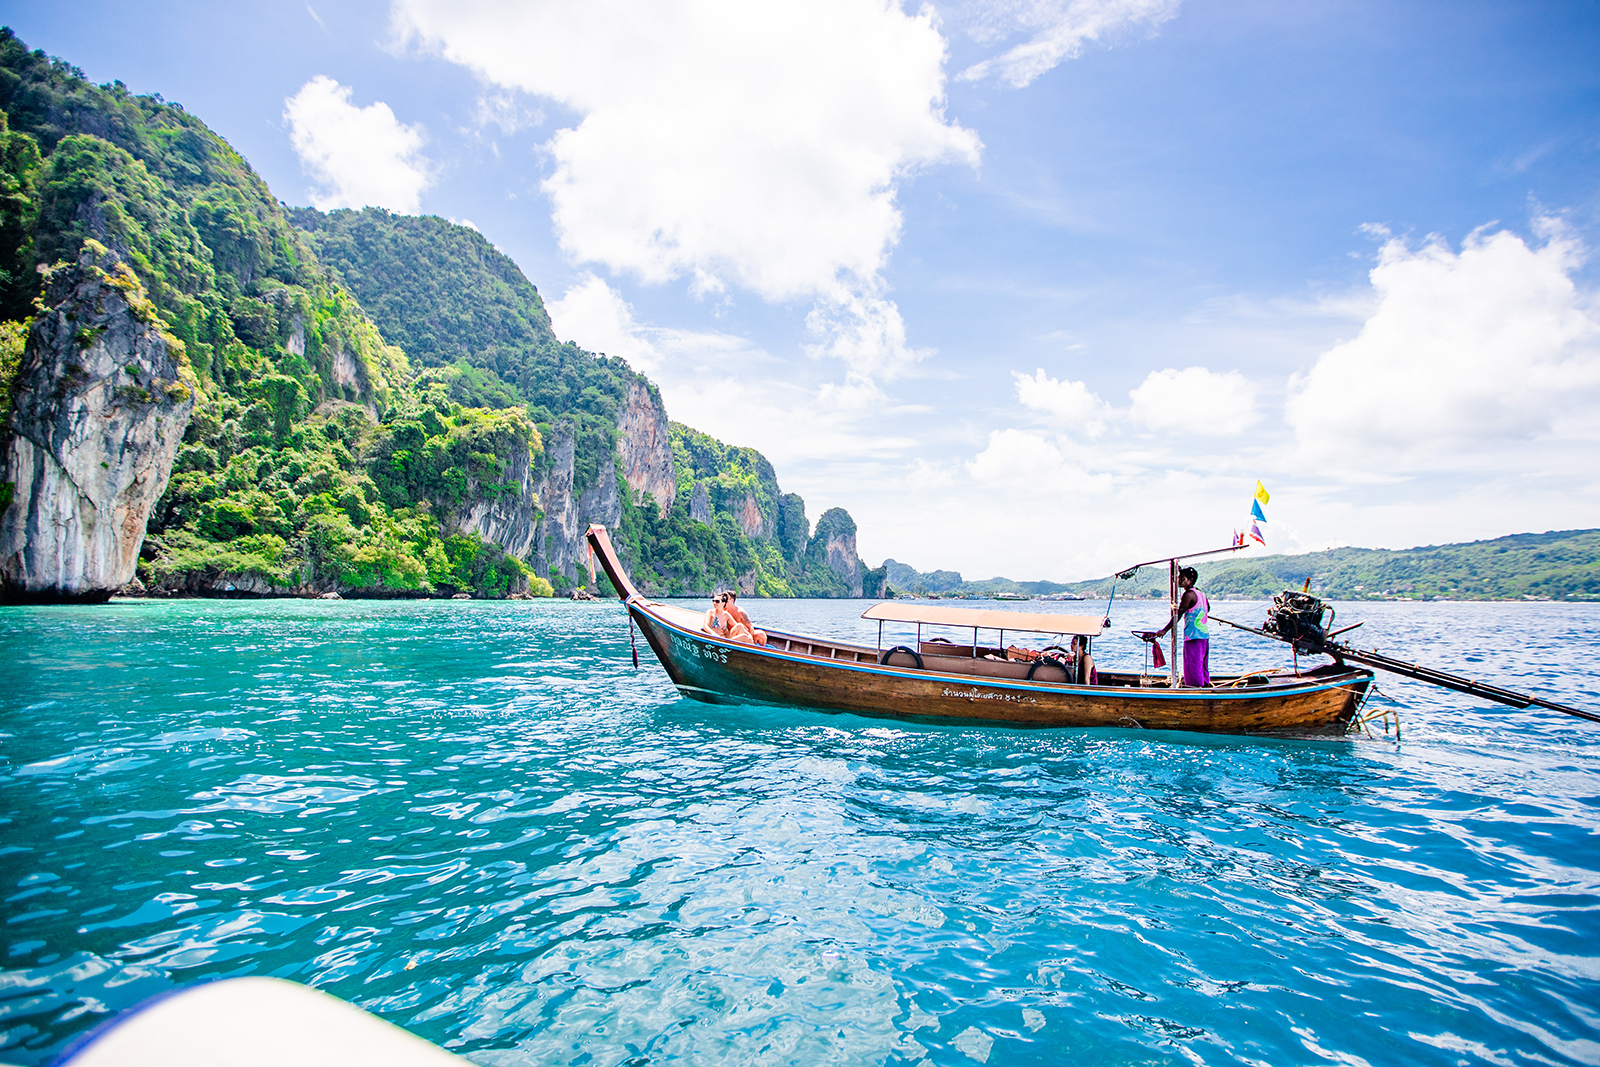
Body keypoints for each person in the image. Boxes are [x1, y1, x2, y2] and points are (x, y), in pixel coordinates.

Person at [1149, 566, 1210, 687]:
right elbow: (1208, 608)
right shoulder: (1200, 593)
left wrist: (1165, 630)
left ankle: (1195, 689)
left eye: (1182, 578)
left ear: (1190, 580)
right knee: (1202, 664)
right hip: (1204, 635)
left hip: (1193, 635)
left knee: (1193, 665)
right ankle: (1205, 685)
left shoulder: (1189, 594)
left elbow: (1178, 615)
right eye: (1179, 577)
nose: (1179, 580)